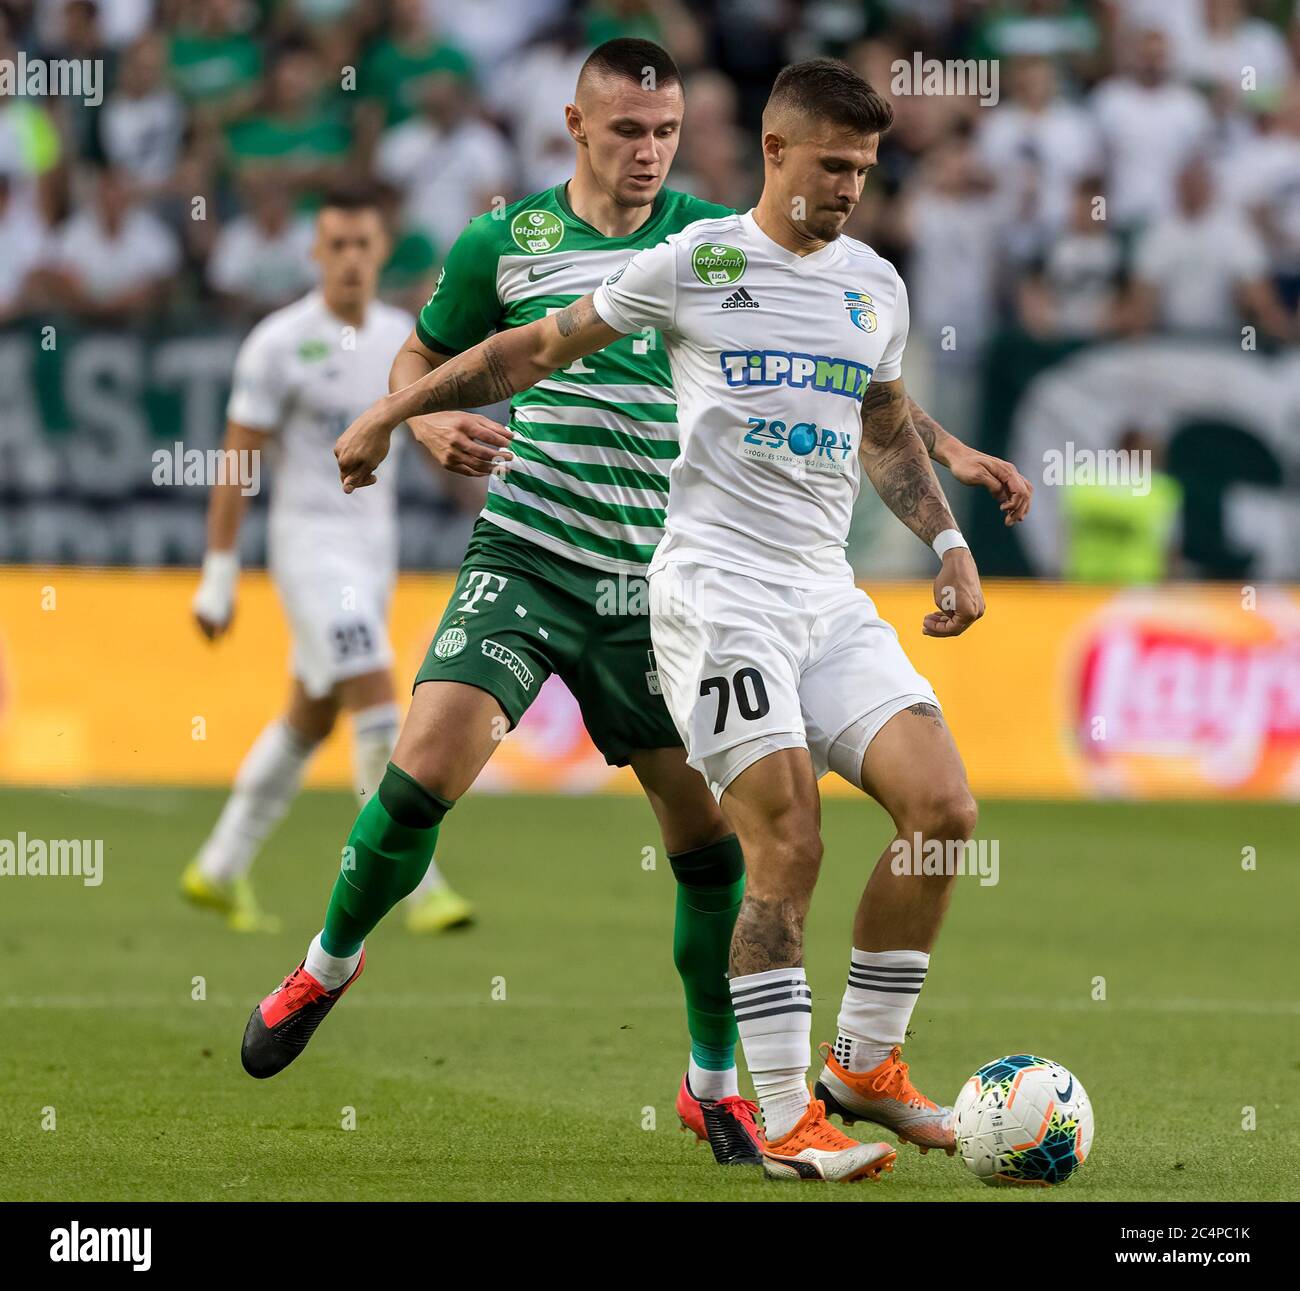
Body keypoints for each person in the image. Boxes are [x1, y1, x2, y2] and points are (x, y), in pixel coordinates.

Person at [241, 43, 1031, 1175]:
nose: (648, 150)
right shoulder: (540, 244)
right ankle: (328, 960)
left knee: (720, 848)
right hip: (552, 555)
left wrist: (951, 503)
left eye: (664, 132)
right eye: (627, 131)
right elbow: (471, 348)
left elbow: (864, 392)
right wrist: (404, 418)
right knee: (426, 766)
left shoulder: (765, 247)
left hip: (664, 576)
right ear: (576, 125)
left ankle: (728, 1085)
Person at [182, 185, 472, 935]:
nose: (349, 259)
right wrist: (218, 574)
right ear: (315, 252)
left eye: (362, 245)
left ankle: (217, 866)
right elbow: (237, 460)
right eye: (335, 245)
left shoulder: (401, 341)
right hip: (308, 550)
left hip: (374, 554)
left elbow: (431, 437)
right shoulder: (278, 343)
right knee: (378, 702)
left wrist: (478, 493)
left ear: (382, 251)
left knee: (309, 718)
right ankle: (420, 885)